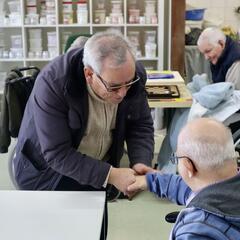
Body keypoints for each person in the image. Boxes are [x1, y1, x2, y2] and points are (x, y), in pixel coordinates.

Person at [13, 30, 154, 239]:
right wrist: (112, 175)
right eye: (114, 86)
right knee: (61, 232)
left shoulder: (129, 74)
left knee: (96, 229)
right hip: (50, 174)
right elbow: (57, 154)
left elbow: (140, 124)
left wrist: (140, 160)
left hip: (96, 169)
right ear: (90, 74)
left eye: (129, 83)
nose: (123, 92)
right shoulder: (54, 82)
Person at [128, 118, 240, 239]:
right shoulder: (221, 185)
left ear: (188, 166)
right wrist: (150, 180)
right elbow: (188, 189)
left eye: (177, 159)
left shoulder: (195, 232)